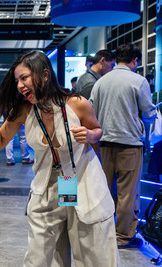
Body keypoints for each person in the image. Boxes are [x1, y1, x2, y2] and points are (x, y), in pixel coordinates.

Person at [0, 51, 119, 265]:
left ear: (44, 74)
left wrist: (90, 135)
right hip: (47, 186)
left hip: (80, 181)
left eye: (24, 78)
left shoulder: (77, 103)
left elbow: (97, 130)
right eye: (17, 80)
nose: (20, 85)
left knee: (89, 250)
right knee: (41, 254)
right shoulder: (24, 110)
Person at [90, 43, 156, 248]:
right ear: (135, 61)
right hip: (129, 145)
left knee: (104, 190)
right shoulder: (139, 81)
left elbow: (91, 110)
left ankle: (102, 231)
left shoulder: (101, 82)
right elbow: (148, 113)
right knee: (127, 194)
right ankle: (123, 236)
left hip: (104, 145)